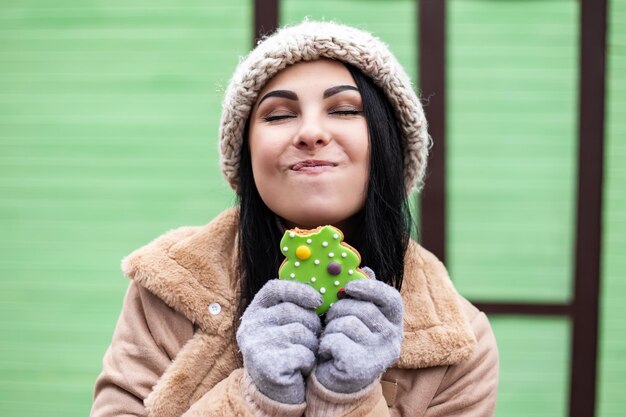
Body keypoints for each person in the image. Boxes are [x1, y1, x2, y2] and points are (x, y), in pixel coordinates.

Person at [90, 20, 499, 417]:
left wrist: (347, 401)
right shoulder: (168, 286)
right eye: (279, 115)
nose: (310, 132)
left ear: (389, 146)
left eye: (343, 109)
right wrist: (257, 400)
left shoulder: (460, 340)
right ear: (246, 156)